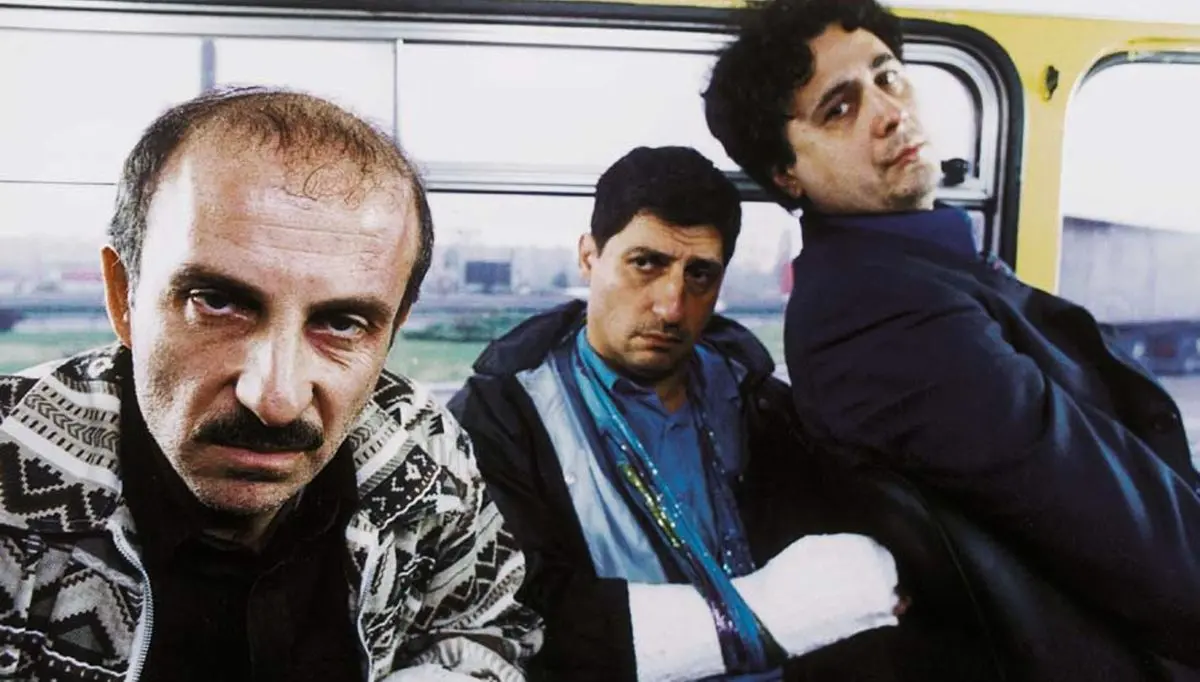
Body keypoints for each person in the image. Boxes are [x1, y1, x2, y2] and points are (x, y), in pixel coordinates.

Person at [703, 0, 1200, 673]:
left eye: (888, 76)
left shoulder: (923, 269)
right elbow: (1116, 524)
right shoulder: (873, 310)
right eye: (839, 109)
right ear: (787, 173)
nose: (889, 111)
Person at [0, 87, 540, 682]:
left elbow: (487, 630)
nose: (276, 399)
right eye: (216, 302)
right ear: (123, 295)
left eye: (342, 323)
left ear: (392, 330)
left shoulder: (425, 449)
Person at [450, 146, 922, 682]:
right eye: (645, 264)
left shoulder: (762, 405)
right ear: (589, 257)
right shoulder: (501, 420)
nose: (671, 306)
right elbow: (525, 614)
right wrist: (772, 615)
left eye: (699, 275)